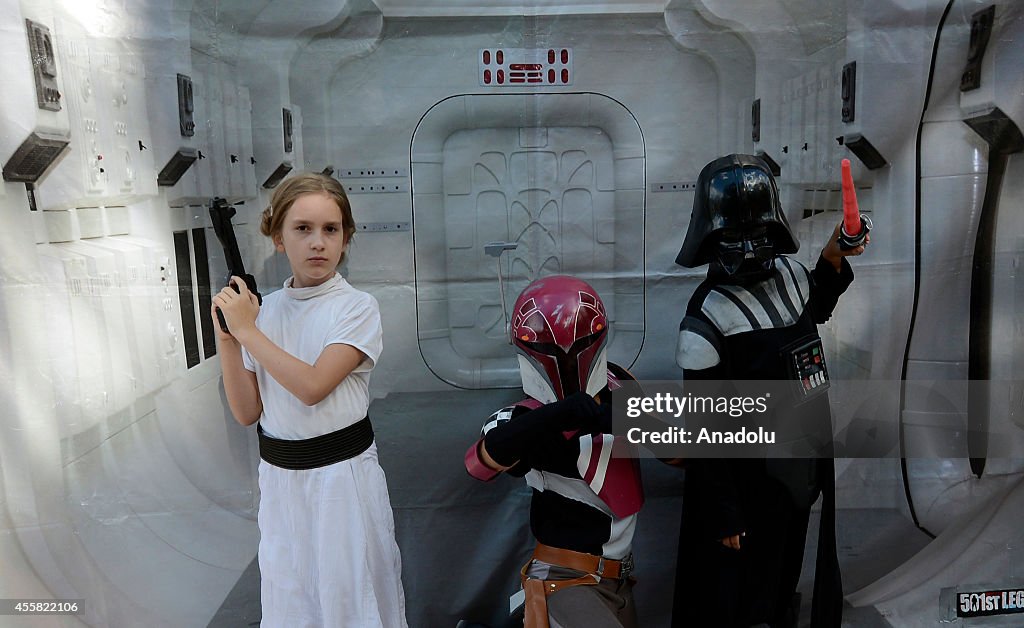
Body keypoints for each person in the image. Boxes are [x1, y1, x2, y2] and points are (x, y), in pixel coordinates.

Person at [670, 154, 868, 628]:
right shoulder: (706, 318)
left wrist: (839, 246)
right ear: (710, 235)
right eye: (733, 236)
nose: (748, 249)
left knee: (785, 575)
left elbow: (819, 298)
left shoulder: (795, 279)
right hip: (748, 480)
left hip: (799, 466)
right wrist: (724, 513)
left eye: (757, 233)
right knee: (742, 592)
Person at [212, 173, 407, 628]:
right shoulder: (264, 311)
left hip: (342, 483)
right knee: (293, 605)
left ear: (345, 239)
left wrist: (246, 331)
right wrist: (227, 336)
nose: (317, 242)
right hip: (281, 485)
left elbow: (313, 386)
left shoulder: (356, 308)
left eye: (330, 229)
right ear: (278, 238)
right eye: (302, 229)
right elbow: (246, 412)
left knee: (351, 604)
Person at [464, 275, 645, 628]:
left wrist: (627, 419)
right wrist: (554, 416)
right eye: (549, 347)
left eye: (582, 342)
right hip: (565, 581)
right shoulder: (522, 419)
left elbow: (684, 450)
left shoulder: (620, 386)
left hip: (618, 580)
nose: (567, 356)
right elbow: (480, 462)